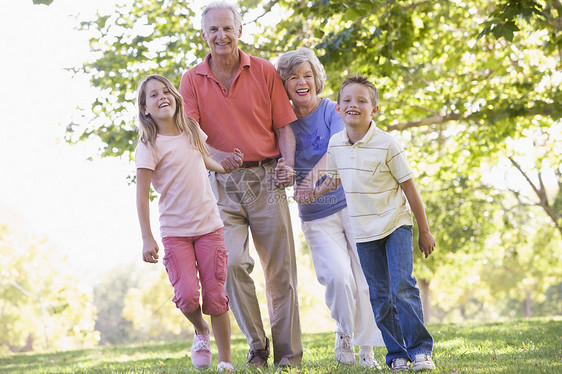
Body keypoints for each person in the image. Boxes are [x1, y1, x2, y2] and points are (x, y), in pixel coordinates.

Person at [178, 1, 302, 368]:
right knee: (230, 264)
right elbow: (191, 133)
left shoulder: (264, 71)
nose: (221, 35)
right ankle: (257, 344)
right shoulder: (191, 79)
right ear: (204, 35)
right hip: (220, 183)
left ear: (239, 31)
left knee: (281, 273)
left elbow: (284, 127)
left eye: (227, 28)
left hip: (266, 178)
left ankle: (288, 358)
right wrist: (216, 155)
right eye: (213, 30)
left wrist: (288, 164)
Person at [296, 74, 436, 372]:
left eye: (362, 100)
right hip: (364, 232)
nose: (353, 105)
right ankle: (396, 354)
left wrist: (424, 231)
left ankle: (421, 351)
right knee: (379, 294)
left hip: (395, 224)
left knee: (402, 286)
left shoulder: (388, 144)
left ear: (374, 109)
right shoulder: (336, 144)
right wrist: (313, 192)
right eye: (346, 100)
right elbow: (333, 179)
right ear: (337, 108)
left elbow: (410, 188)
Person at [276, 48, 384, 368]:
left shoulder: (330, 110)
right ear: (283, 84)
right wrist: (285, 174)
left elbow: (338, 151)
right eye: (293, 77)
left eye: (307, 75)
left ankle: (367, 348)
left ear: (317, 79)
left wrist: (309, 182)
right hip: (317, 216)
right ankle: (345, 332)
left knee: (364, 279)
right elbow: (281, 164)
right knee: (338, 277)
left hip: (352, 204)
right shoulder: (282, 123)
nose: (301, 82)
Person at [135, 74, 241, 373]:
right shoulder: (149, 145)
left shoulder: (191, 130)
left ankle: (226, 360)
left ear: (175, 97)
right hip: (175, 233)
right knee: (186, 296)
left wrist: (224, 165)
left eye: (166, 91)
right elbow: (142, 196)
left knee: (216, 295)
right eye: (153, 95)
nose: (162, 96)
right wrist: (147, 238)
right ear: (145, 108)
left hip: (209, 227)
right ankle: (200, 331)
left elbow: (204, 158)